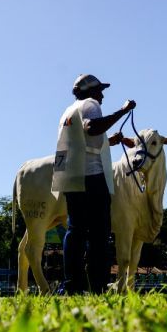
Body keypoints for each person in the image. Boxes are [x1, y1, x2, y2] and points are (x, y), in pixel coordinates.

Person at [52, 74, 135, 295]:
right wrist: (123, 111)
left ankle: (72, 286)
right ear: (91, 91)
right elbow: (91, 128)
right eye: (100, 90)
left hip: (70, 177)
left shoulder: (68, 111)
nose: (102, 94)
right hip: (92, 177)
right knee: (100, 234)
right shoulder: (91, 104)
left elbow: (82, 141)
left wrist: (110, 141)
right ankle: (97, 286)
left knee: (75, 231)